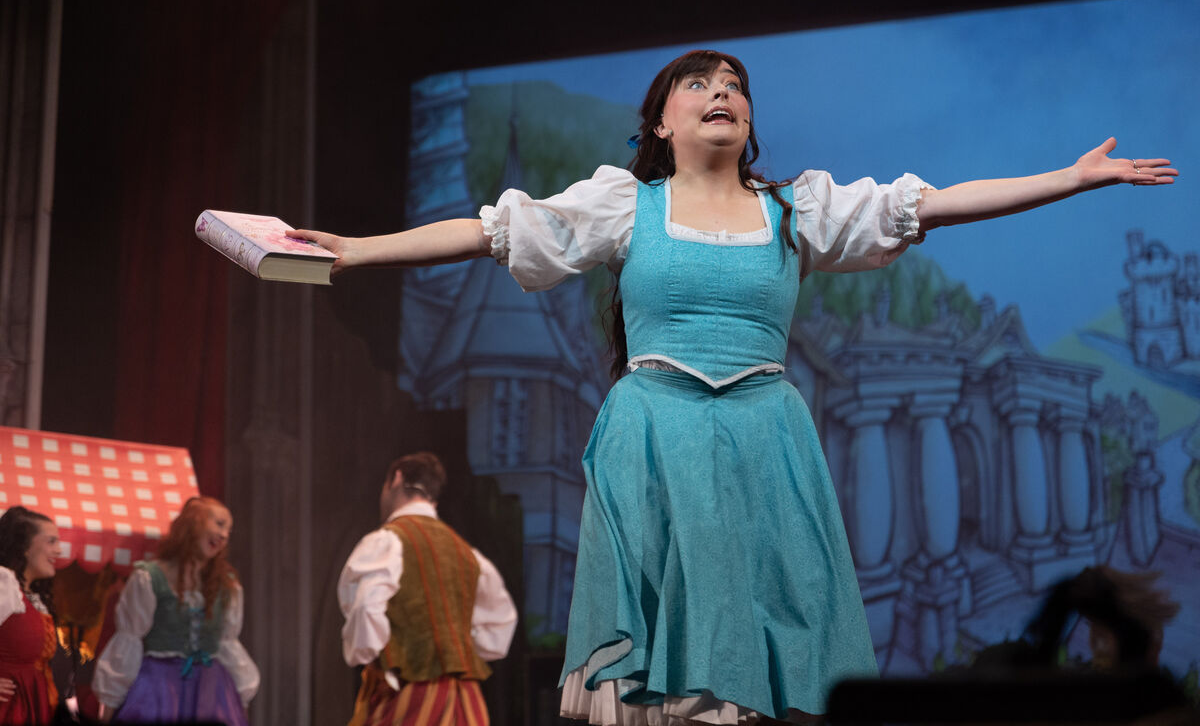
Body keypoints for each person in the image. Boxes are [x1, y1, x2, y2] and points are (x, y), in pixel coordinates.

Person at [290, 49, 1178, 724]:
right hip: (655, 431)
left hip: (764, 433)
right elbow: (487, 234)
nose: (722, 92)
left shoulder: (797, 210)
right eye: (698, 85)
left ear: (748, 125)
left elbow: (936, 203)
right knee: (669, 658)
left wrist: (1070, 178)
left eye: (735, 86)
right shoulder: (621, 207)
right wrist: (358, 250)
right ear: (662, 124)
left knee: (771, 638)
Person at [338, 451, 518, 726]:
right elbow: (500, 625)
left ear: (396, 479)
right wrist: (454, 650)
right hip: (465, 700)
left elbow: (365, 609)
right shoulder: (468, 554)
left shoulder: (387, 542)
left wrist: (371, 655)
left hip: (411, 695)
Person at [92, 496, 259, 724]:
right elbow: (128, 641)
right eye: (219, 524)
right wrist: (109, 706)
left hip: (211, 690)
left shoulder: (227, 585)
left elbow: (228, 646)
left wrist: (241, 703)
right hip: (158, 687)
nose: (224, 535)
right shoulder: (150, 577)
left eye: (228, 530)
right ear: (192, 524)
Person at [0, 506, 61, 726]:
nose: (59, 550)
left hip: (31, 706)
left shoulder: (31, 597)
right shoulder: (3, 583)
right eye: (51, 541)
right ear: (25, 547)